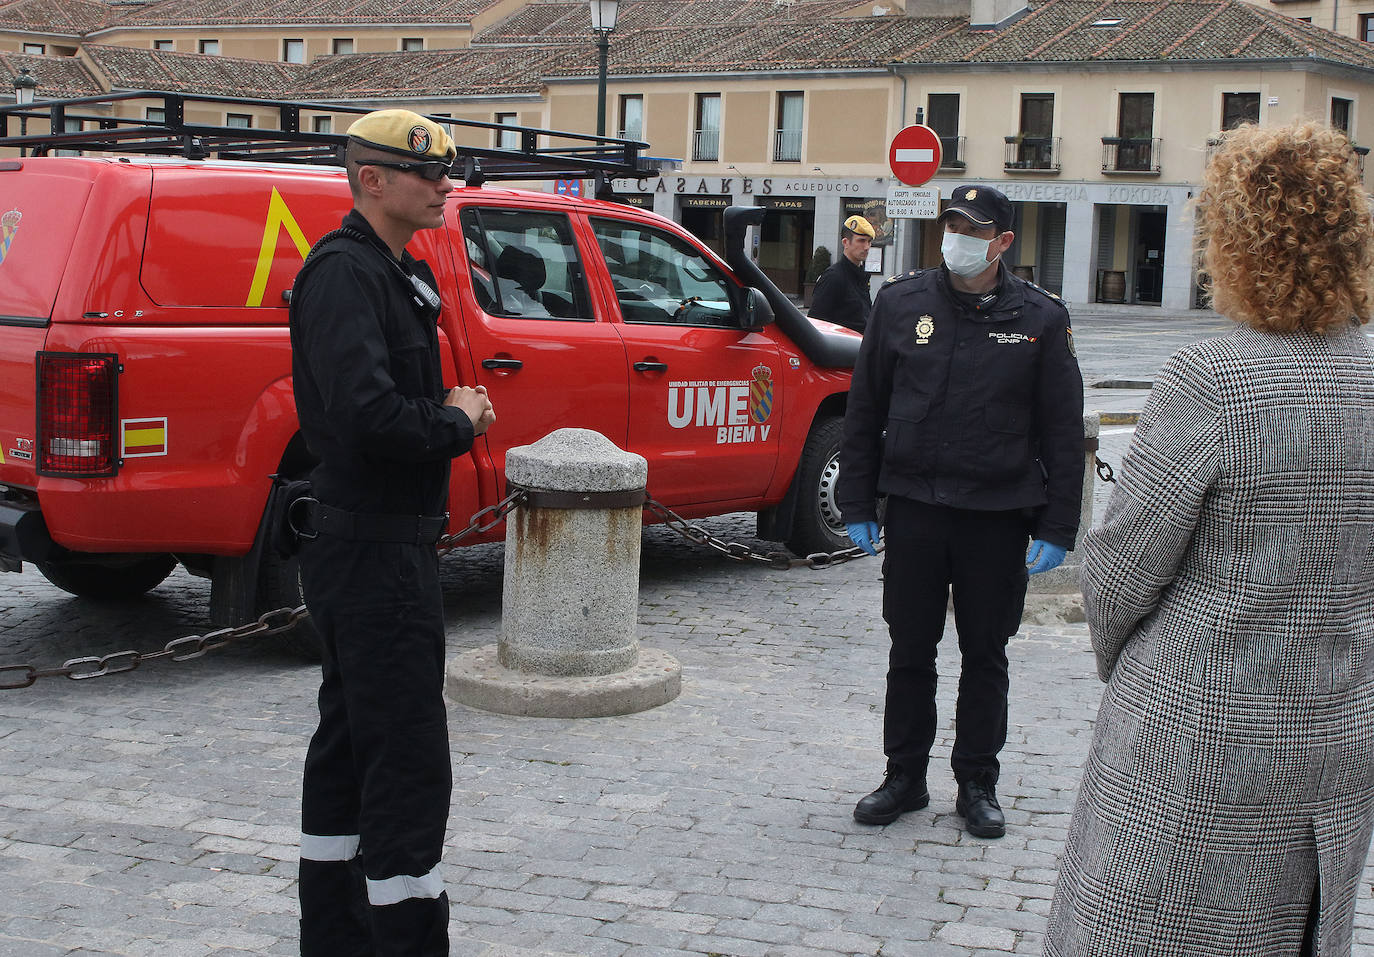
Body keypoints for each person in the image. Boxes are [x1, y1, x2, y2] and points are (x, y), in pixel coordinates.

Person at [1046, 122, 1374, 956]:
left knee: (1145, 930)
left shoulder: (1215, 379)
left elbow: (1121, 569)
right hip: (1335, 736)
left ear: (1233, 242)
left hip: (1196, 729)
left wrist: (1133, 669)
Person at [289, 108, 496, 956]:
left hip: (380, 548)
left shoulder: (388, 267)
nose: (443, 184)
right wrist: (456, 418)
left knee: (351, 744)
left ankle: (337, 938)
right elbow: (369, 415)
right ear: (372, 180)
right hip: (374, 556)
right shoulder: (345, 273)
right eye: (426, 171)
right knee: (405, 762)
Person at [837, 184, 1084, 839]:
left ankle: (977, 782)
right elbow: (864, 412)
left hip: (997, 515)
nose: (957, 239)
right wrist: (857, 499)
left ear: (1003, 241)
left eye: (973, 229)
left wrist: (1059, 526)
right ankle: (904, 777)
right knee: (910, 651)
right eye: (952, 225)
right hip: (917, 511)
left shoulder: (1040, 318)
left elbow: (1062, 430)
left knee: (985, 654)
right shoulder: (900, 304)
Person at [810, 214, 875, 333]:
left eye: (869, 241)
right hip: (841, 348)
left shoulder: (861, 276)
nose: (867, 247)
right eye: (861, 241)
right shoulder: (833, 277)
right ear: (845, 242)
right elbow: (816, 324)